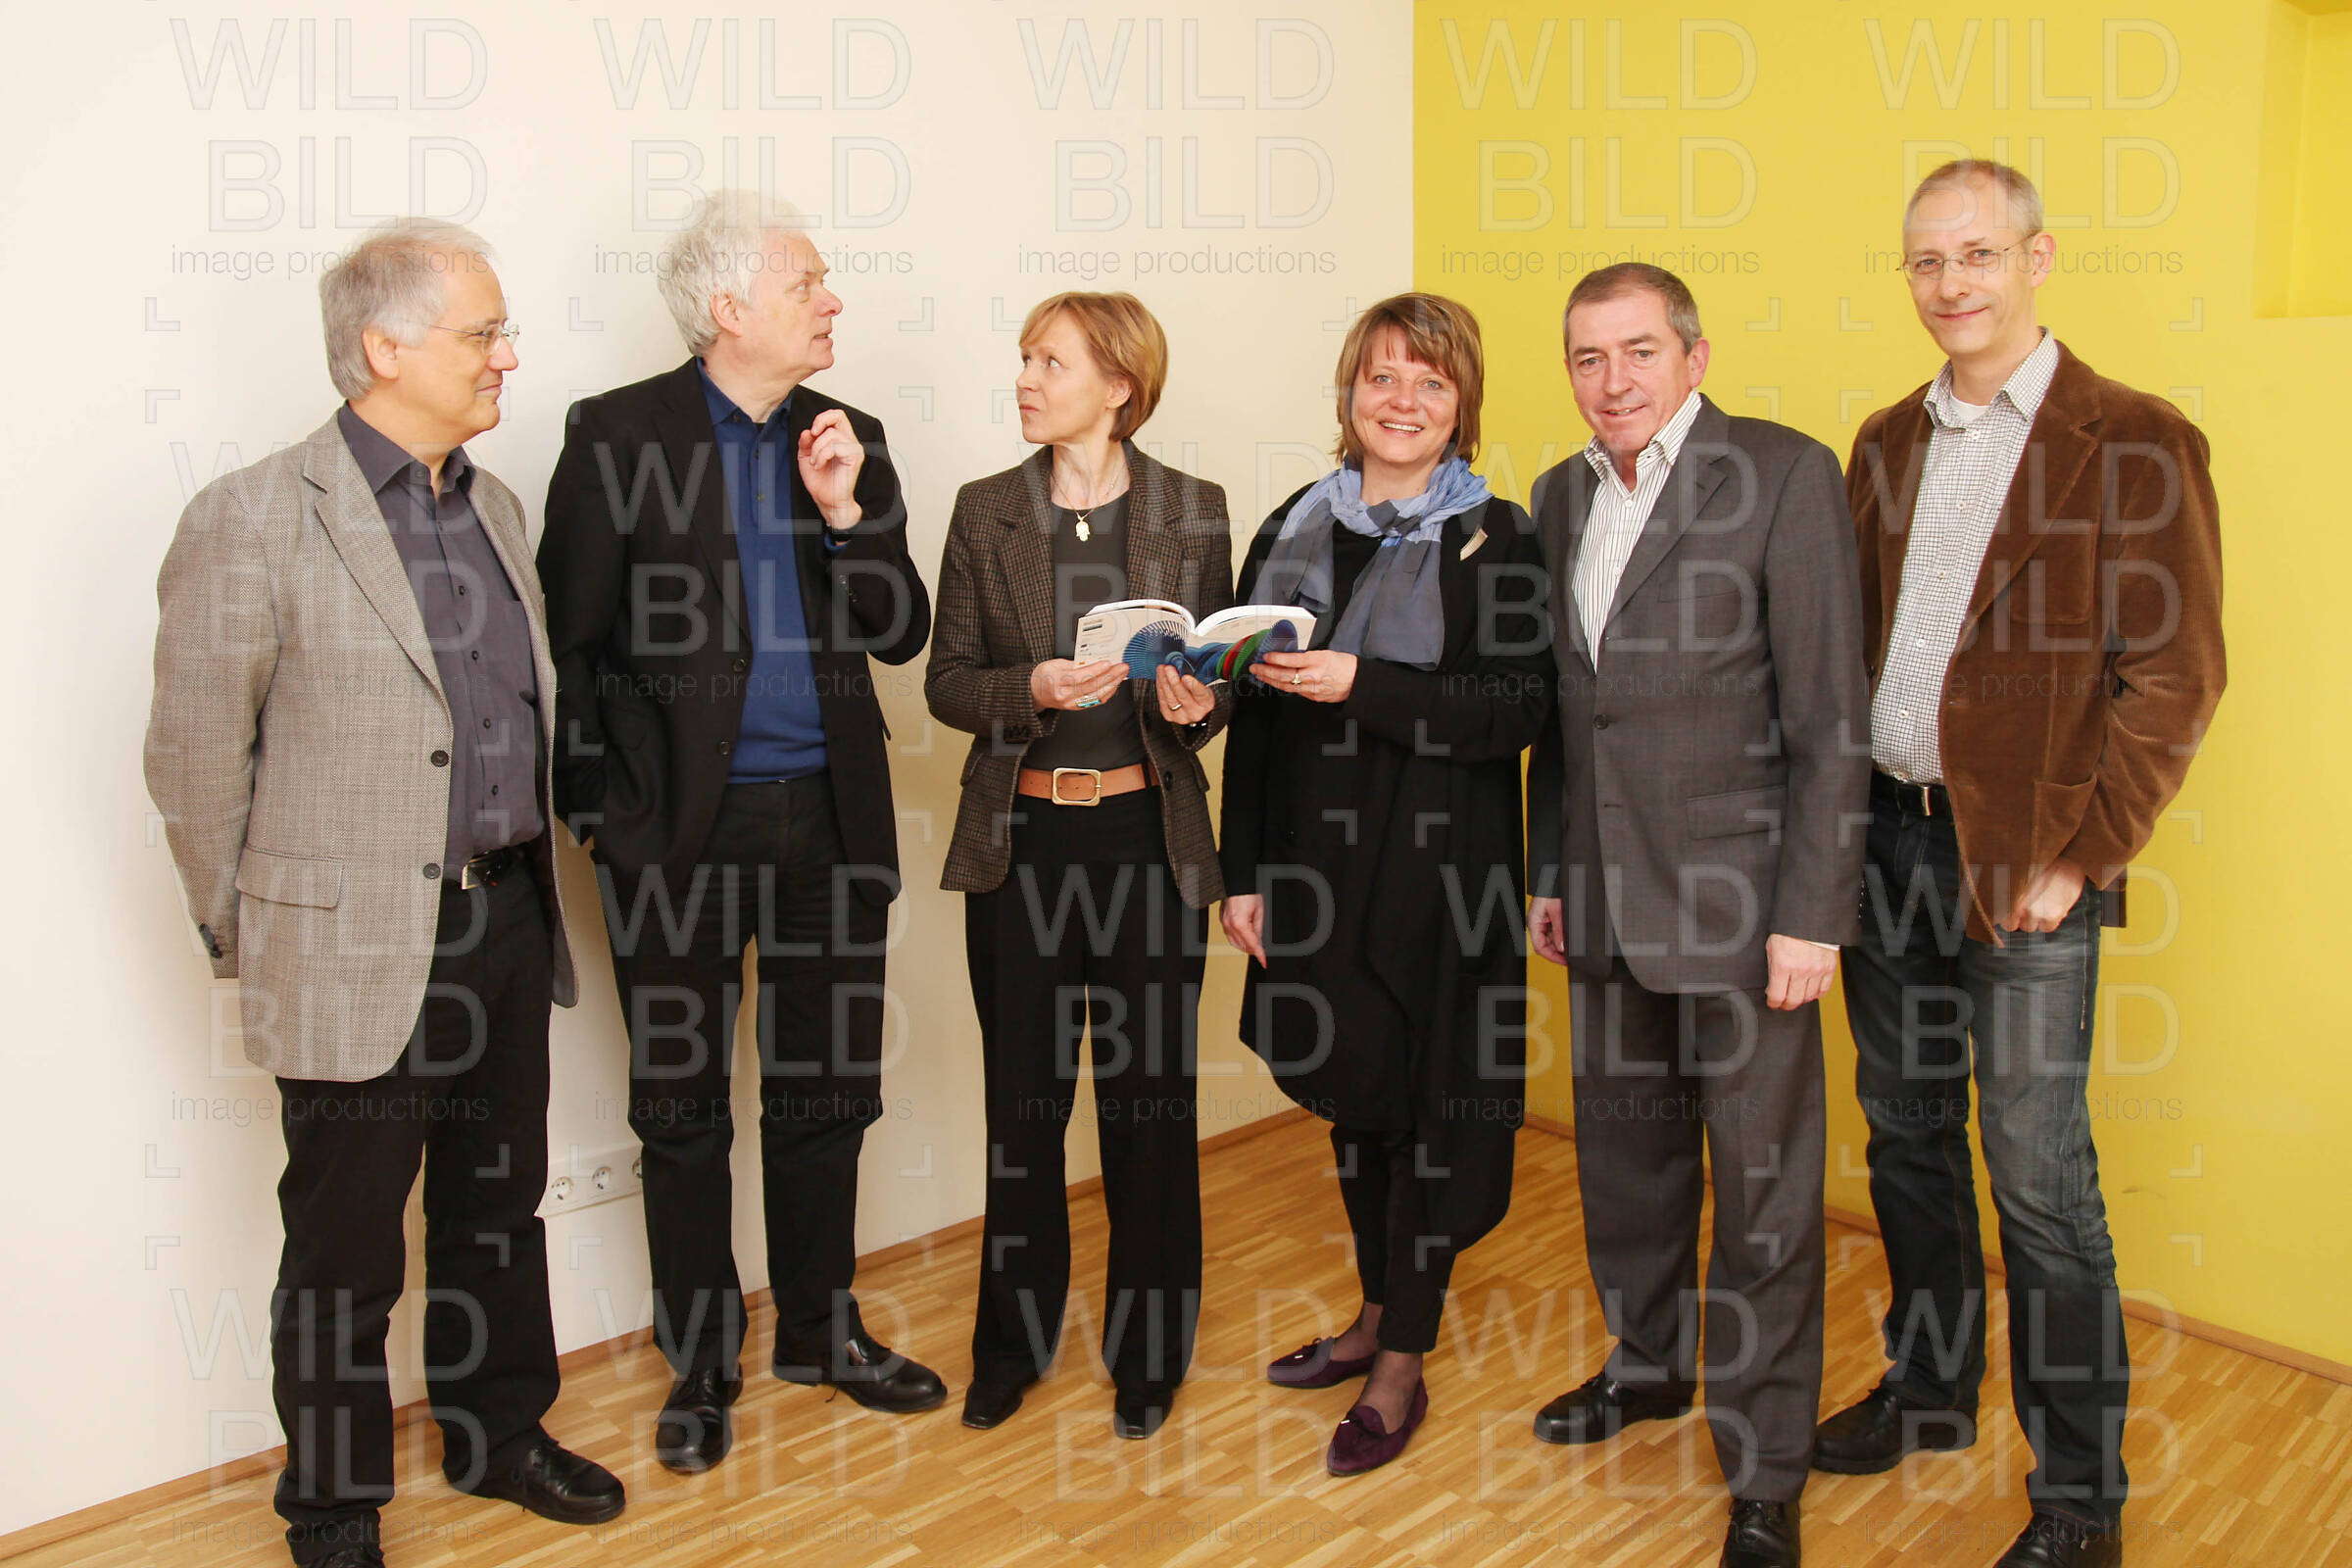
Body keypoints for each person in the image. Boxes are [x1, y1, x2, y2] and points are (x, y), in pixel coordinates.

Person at [144, 219, 624, 1568]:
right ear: (385, 347)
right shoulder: (250, 517)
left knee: (497, 1208)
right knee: (344, 1248)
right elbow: (193, 758)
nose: (507, 356)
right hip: (349, 948)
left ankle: (499, 1433)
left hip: (506, 918)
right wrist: (258, 937)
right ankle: (335, 1503)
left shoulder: (498, 507)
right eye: (484, 333)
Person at [1815, 160, 2226, 1568]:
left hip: (2025, 865)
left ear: (2038, 258)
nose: (1953, 284)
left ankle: (2080, 1503)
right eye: (1928, 261)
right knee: (1908, 1138)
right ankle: (1931, 1388)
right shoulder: (1885, 440)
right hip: (1885, 844)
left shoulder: (2138, 440)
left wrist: (2087, 852)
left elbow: (2176, 672)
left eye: (1979, 254)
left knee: (2041, 1184)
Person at [536, 190, 941, 1477]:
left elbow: (900, 630)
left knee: (828, 1095)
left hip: (830, 825)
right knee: (681, 1110)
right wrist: (603, 818)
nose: (833, 301)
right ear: (729, 308)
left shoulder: (850, 437)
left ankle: (822, 1331)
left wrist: (847, 513)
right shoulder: (616, 435)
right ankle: (703, 1360)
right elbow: (568, 643)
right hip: (675, 842)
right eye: (808, 283)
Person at [1523, 262, 1869, 1568]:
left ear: (1694, 356)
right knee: (1629, 1169)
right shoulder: (1559, 496)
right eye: (1587, 356)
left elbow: (1830, 715)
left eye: (1638, 351)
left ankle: (1768, 1465)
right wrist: (1552, 871)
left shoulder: (1782, 474)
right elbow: (1572, 711)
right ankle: (1649, 1361)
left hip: (1744, 909)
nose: (1612, 380)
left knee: (1766, 1198)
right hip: (1604, 897)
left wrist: (1812, 914)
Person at [1221, 292, 1551, 1476]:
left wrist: (1365, 683)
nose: (1402, 400)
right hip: (1315, 876)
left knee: (1430, 1121)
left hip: (1444, 883)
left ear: (1462, 404)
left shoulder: (1501, 538)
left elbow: (1516, 709)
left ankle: (1403, 1357)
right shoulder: (1292, 525)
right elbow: (1253, 713)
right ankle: (1372, 1314)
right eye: (1382, 376)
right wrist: (1242, 875)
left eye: (1431, 380)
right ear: (1350, 392)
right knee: (1358, 1104)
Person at [925, 292, 1233, 1440]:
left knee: (1150, 1108)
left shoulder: (1193, 509)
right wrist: (1033, 687)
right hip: (1024, 848)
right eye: (1024, 359)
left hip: (1149, 844)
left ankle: (1149, 1356)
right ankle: (1009, 1348)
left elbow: (1211, 690)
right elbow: (948, 679)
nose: (1024, 378)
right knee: (1025, 1109)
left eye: (1048, 361)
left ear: (1118, 383)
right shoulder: (985, 509)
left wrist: (1201, 704)